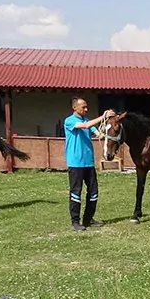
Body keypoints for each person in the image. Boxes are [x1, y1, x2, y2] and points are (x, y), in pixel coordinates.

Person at [63, 97, 113, 231]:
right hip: (75, 163)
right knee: (76, 192)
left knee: (93, 192)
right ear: (74, 107)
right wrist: (102, 116)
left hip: (88, 162)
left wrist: (108, 123)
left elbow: (99, 134)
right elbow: (85, 126)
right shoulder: (70, 121)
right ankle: (75, 221)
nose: (86, 109)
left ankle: (88, 219)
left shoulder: (87, 121)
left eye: (86, 107)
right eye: (83, 107)